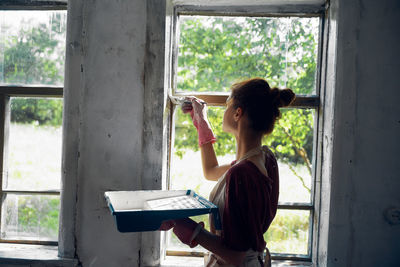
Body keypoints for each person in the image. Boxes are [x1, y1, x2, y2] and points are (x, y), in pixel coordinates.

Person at [161, 78, 296, 267]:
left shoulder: (242, 173)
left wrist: (192, 230)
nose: (224, 110)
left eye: (227, 105)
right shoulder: (265, 158)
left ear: (237, 113)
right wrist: (202, 122)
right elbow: (211, 171)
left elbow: (236, 256)